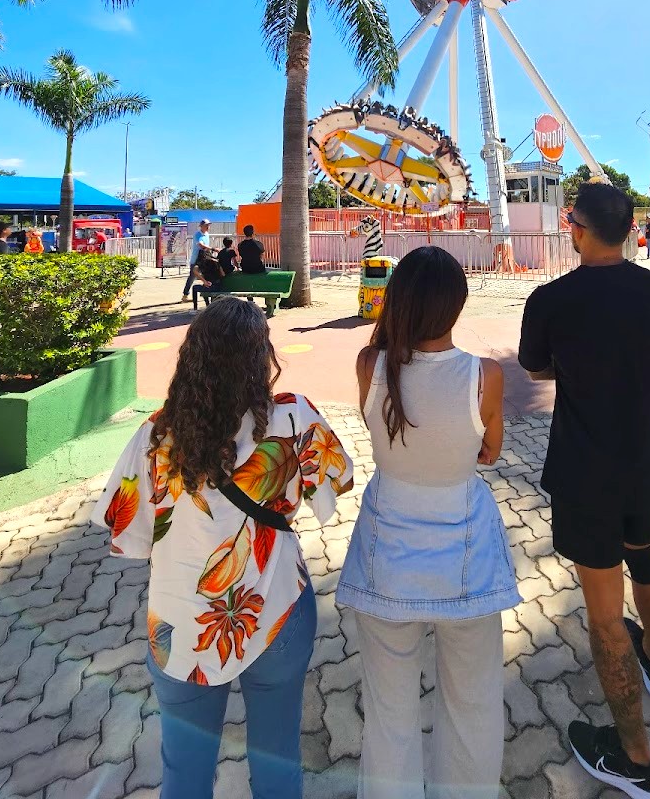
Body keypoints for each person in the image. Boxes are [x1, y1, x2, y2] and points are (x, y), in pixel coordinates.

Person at [92, 299, 353, 799]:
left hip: (182, 621)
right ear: (261, 358)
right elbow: (334, 489)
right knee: (277, 761)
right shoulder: (294, 418)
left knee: (184, 773)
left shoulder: (155, 435)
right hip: (276, 611)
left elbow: (130, 539)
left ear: (192, 357)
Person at [338, 246, 519, 799]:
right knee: (472, 698)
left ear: (397, 300)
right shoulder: (483, 375)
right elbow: (490, 450)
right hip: (465, 552)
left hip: (386, 549)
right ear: (458, 304)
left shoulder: (372, 365)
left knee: (388, 707)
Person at [518, 183, 650, 799]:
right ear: (633, 228)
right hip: (647, 463)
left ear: (573, 226)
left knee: (606, 614)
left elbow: (536, 366)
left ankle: (637, 761)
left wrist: (578, 364)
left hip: (588, 472)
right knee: (645, 554)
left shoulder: (552, 299)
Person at [181, 219, 212, 302]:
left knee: (207, 275)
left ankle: (207, 292)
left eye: (208, 225)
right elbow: (201, 245)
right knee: (192, 277)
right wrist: (212, 249)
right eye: (206, 225)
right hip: (196, 258)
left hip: (204, 258)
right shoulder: (197, 234)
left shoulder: (207, 234)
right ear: (201, 226)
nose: (208, 227)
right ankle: (185, 294)